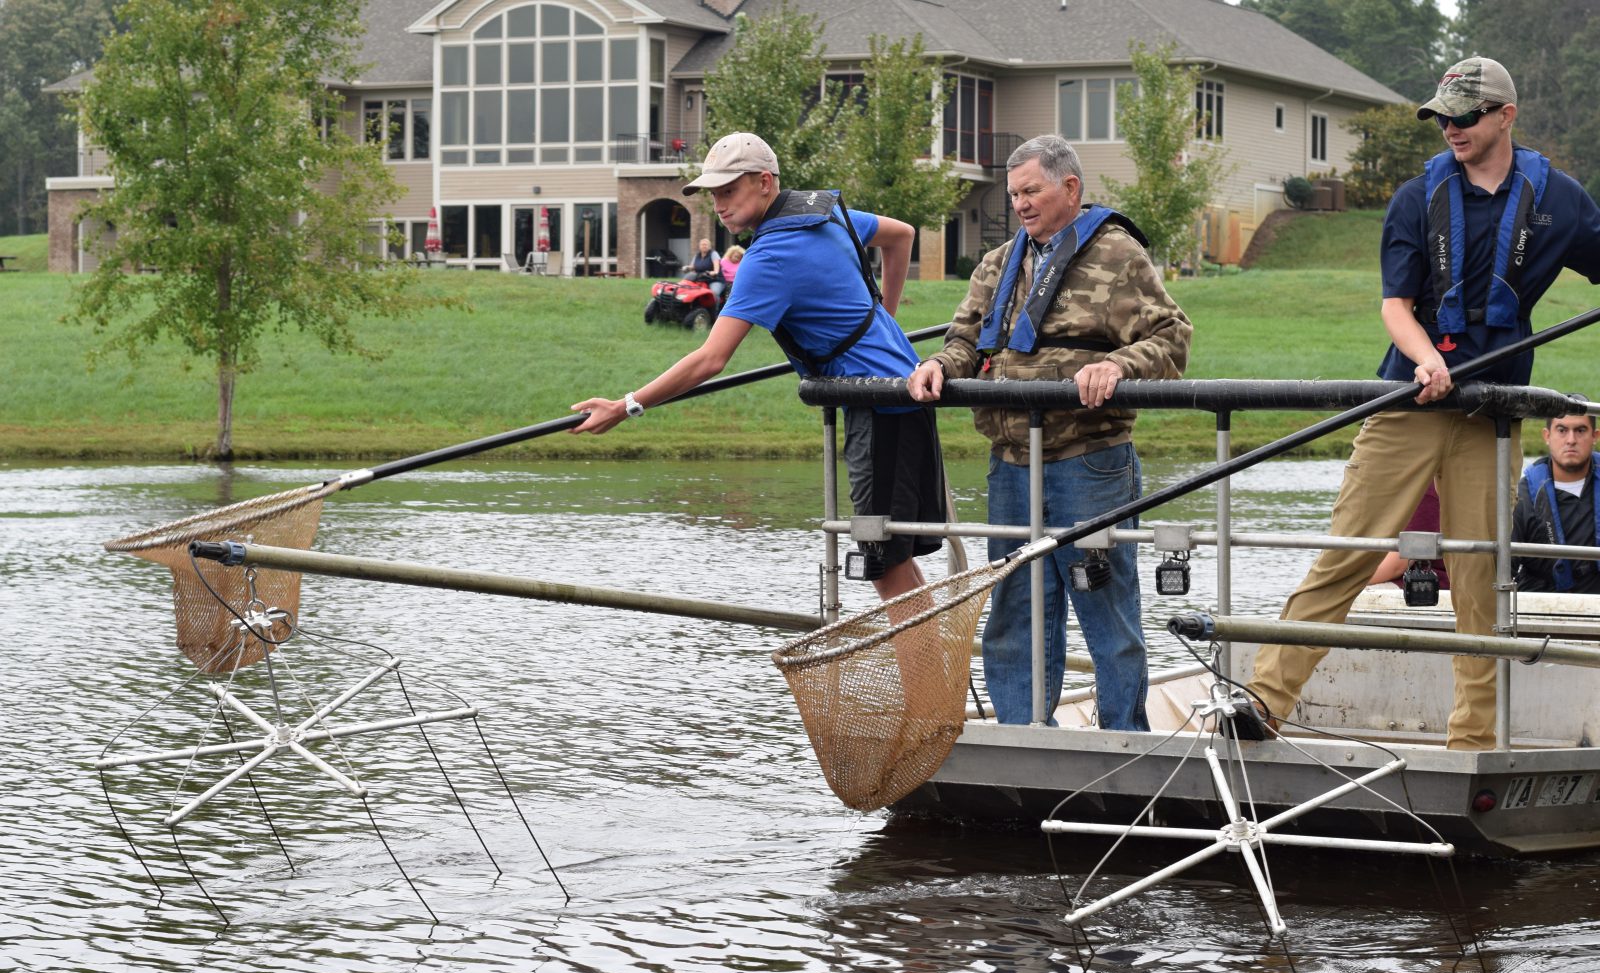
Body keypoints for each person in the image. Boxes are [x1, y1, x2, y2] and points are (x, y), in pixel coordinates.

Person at [1245, 57, 1600, 750]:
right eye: (1442, 117)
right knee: (1347, 551)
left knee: (1478, 576)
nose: (1451, 129)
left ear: (1505, 117)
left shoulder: (1560, 200)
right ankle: (1263, 700)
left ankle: (1473, 740)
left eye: (1465, 117)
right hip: (1408, 399)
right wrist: (1426, 357)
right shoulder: (1416, 197)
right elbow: (1395, 306)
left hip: (1488, 415)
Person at [570, 131, 945, 601]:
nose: (719, 204)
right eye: (713, 194)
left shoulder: (768, 256)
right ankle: (937, 674)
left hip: (881, 407)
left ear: (765, 182)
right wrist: (886, 317)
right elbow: (902, 235)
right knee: (894, 566)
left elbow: (710, 358)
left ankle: (930, 676)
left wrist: (626, 406)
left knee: (884, 567)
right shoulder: (825, 213)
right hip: (899, 393)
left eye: (729, 190)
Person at [907, 134, 1191, 729]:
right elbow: (964, 341)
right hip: (1010, 460)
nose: (1020, 204)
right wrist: (938, 366)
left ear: (1071, 188)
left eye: (1031, 190)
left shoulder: (1118, 256)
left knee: (1104, 602)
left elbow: (1171, 337)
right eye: (1013, 194)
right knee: (1014, 606)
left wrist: (1116, 365)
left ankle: (1124, 740)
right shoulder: (997, 263)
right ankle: (1024, 735)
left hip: (1088, 460)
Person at [1513, 411, 1600, 593]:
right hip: (1540, 609)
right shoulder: (1523, 496)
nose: (1571, 440)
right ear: (1547, 436)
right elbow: (1501, 567)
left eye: (1580, 430)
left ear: (1595, 436)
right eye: (1562, 430)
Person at [1368, 483, 1450, 589]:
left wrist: (1346, 579)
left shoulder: (1425, 494)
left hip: (1423, 584)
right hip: (1410, 576)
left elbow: (1396, 566)